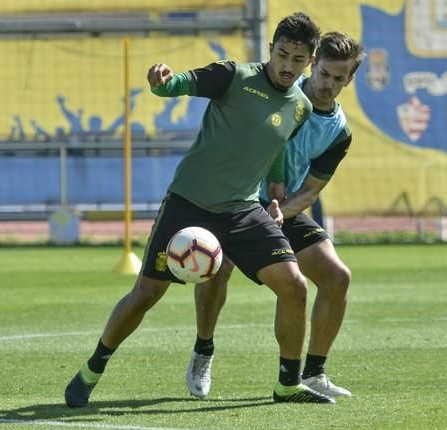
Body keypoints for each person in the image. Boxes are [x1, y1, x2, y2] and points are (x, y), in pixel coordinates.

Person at [64, 12, 335, 407]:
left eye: (297, 59)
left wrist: (276, 191)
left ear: (309, 62)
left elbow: (275, 147)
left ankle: (287, 385)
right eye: (282, 54)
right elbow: (182, 83)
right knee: (146, 293)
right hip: (189, 204)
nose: (287, 65)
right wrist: (162, 83)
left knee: (294, 286)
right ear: (271, 49)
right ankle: (93, 368)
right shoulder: (234, 75)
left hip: (244, 211)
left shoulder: (300, 107)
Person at [186, 31, 365, 401]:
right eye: (324, 74)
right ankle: (203, 350)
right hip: (237, 200)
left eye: (339, 79)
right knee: (217, 270)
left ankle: (314, 374)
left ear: (350, 80)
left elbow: (311, 191)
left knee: (337, 277)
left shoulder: (339, 132)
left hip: (281, 209)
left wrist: (281, 212)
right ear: (312, 65)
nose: (328, 85)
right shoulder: (281, 93)